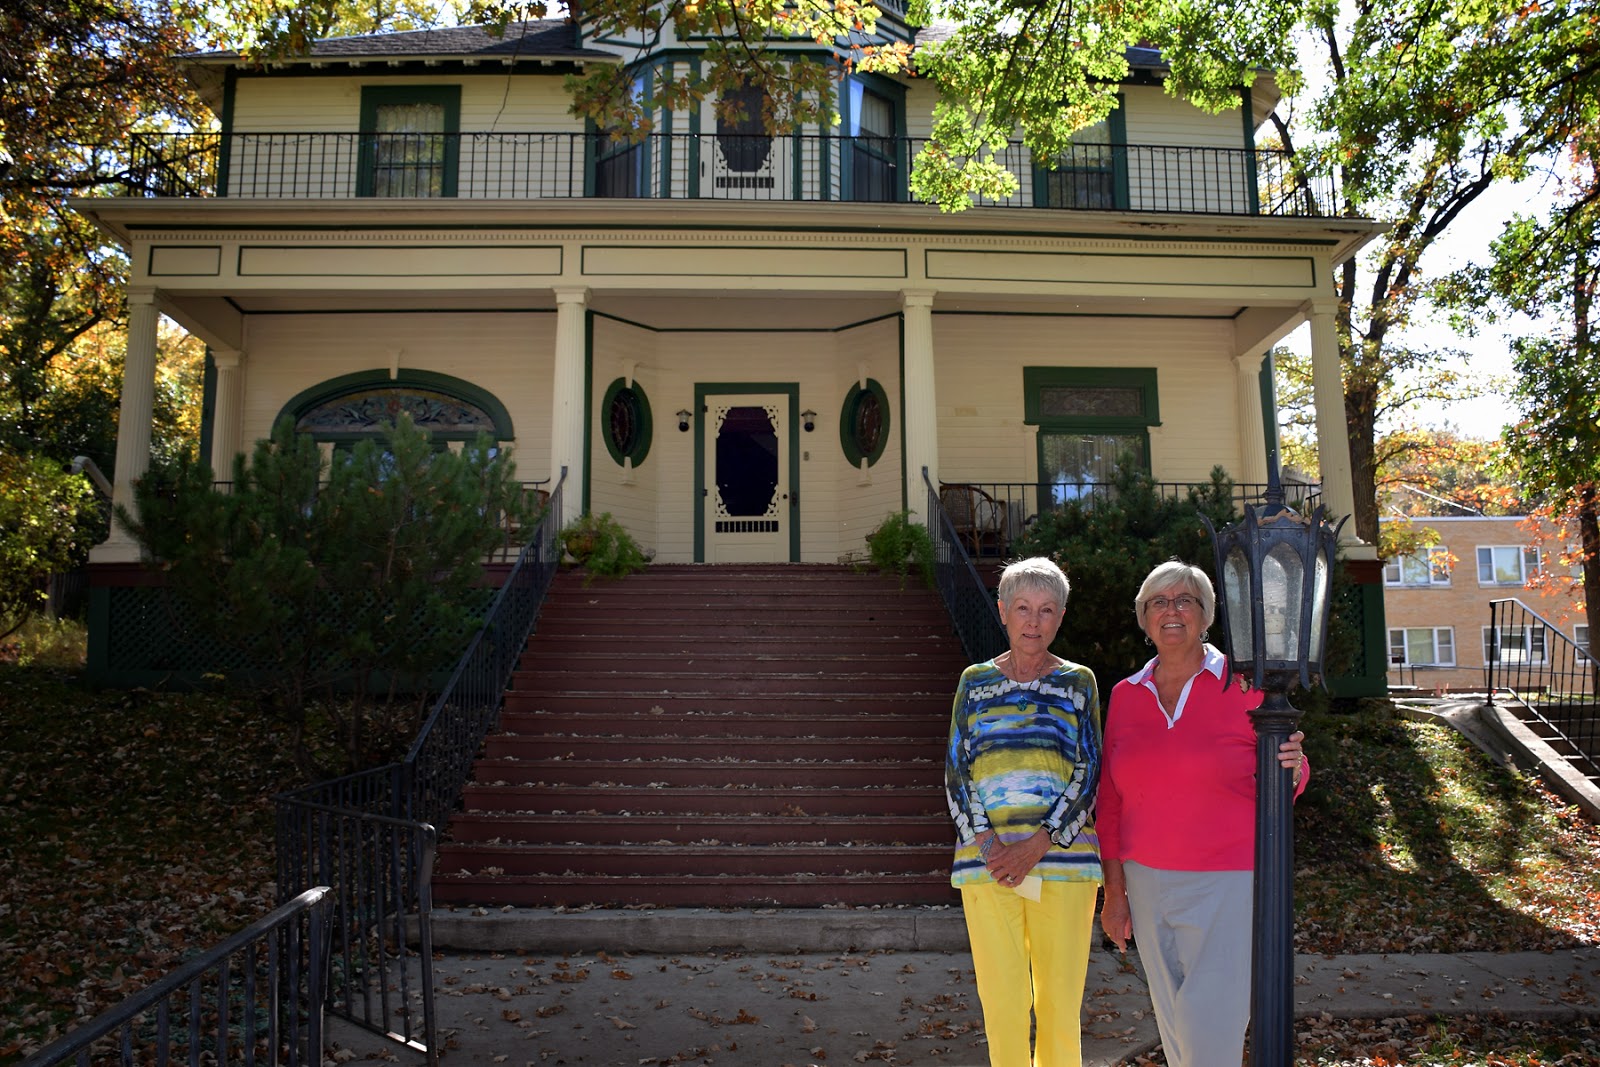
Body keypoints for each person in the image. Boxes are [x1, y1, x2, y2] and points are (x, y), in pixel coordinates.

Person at [1096, 559, 1309, 1067]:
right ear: (1144, 618)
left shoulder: (1245, 684)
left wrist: (1294, 765)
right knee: (1173, 1021)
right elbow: (1111, 800)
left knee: (1207, 1020)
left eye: (1185, 601)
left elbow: (1289, 774)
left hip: (1227, 881)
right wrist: (1115, 893)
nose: (1171, 611)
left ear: (1207, 615)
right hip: (1146, 881)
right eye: (1159, 602)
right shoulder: (1126, 695)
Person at [944, 556, 1102, 1067]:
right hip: (987, 866)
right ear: (1002, 612)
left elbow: (1089, 772)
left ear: (1061, 617)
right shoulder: (973, 683)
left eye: (1047, 610)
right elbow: (957, 770)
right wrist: (991, 844)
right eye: (1023, 608)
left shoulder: (1079, 683)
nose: (1034, 621)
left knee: (1059, 1006)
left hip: (1064, 865)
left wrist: (1038, 844)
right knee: (1003, 1003)